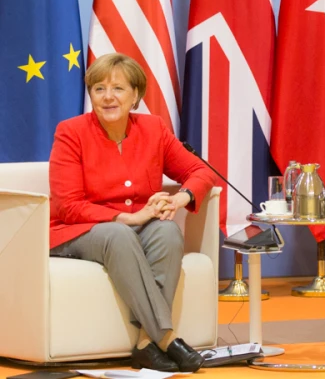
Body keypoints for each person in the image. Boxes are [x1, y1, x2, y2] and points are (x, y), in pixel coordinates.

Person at [48, 53, 215, 372]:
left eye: (118, 88)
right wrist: (130, 218)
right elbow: (67, 206)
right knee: (119, 233)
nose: (108, 96)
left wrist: (181, 198)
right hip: (78, 231)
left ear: (135, 94)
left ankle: (143, 343)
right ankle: (166, 337)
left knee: (167, 231)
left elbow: (199, 171)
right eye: (99, 88)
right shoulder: (71, 132)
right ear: (91, 95)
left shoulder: (153, 129)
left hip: (134, 229)